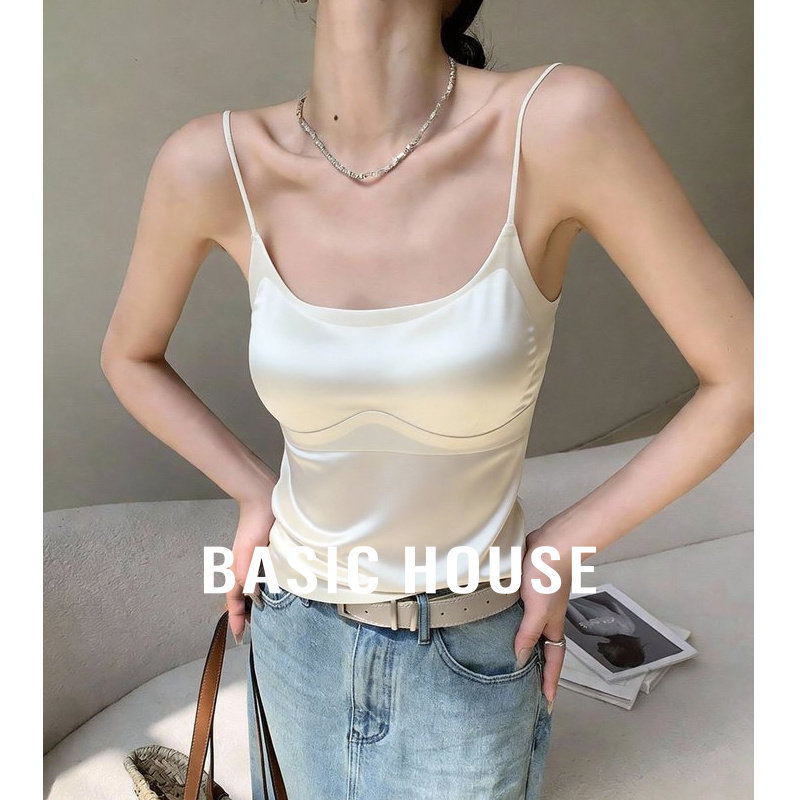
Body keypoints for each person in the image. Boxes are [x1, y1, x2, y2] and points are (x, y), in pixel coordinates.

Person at [99, 1, 754, 798]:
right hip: (292, 630)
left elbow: (747, 376)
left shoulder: (557, 123)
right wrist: (252, 489)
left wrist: (566, 545)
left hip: (468, 653)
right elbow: (129, 357)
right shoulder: (212, 161)